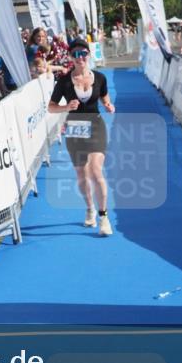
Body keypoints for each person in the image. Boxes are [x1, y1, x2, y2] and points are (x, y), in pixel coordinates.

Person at [47, 38, 116, 237]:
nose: (80, 58)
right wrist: (66, 107)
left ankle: (104, 217)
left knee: (96, 171)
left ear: (88, 55)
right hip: (75, 127)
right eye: (75, 55)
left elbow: (104, 97)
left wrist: (108, 105)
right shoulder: (64, 81)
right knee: (82, 175)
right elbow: (51, 107)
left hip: (95, 124)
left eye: (83, 54)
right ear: (71, 58)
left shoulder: (100, 78)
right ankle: (90, 209)